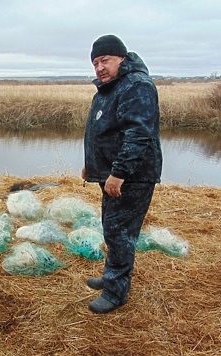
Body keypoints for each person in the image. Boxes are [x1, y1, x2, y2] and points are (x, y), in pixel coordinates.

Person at [82, 34, 163, 313]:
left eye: (105, 60)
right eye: (95, 63)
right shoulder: (112, 87)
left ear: (122, 58)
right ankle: (112, 276)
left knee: (120, 232)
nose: (100, 68)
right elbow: (103, 132)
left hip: (133, 176)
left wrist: (118, 173)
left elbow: (138, 134)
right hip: (113, 174)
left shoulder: (136, 86)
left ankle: (117, 292)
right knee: (112, 228)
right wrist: (91, 164)